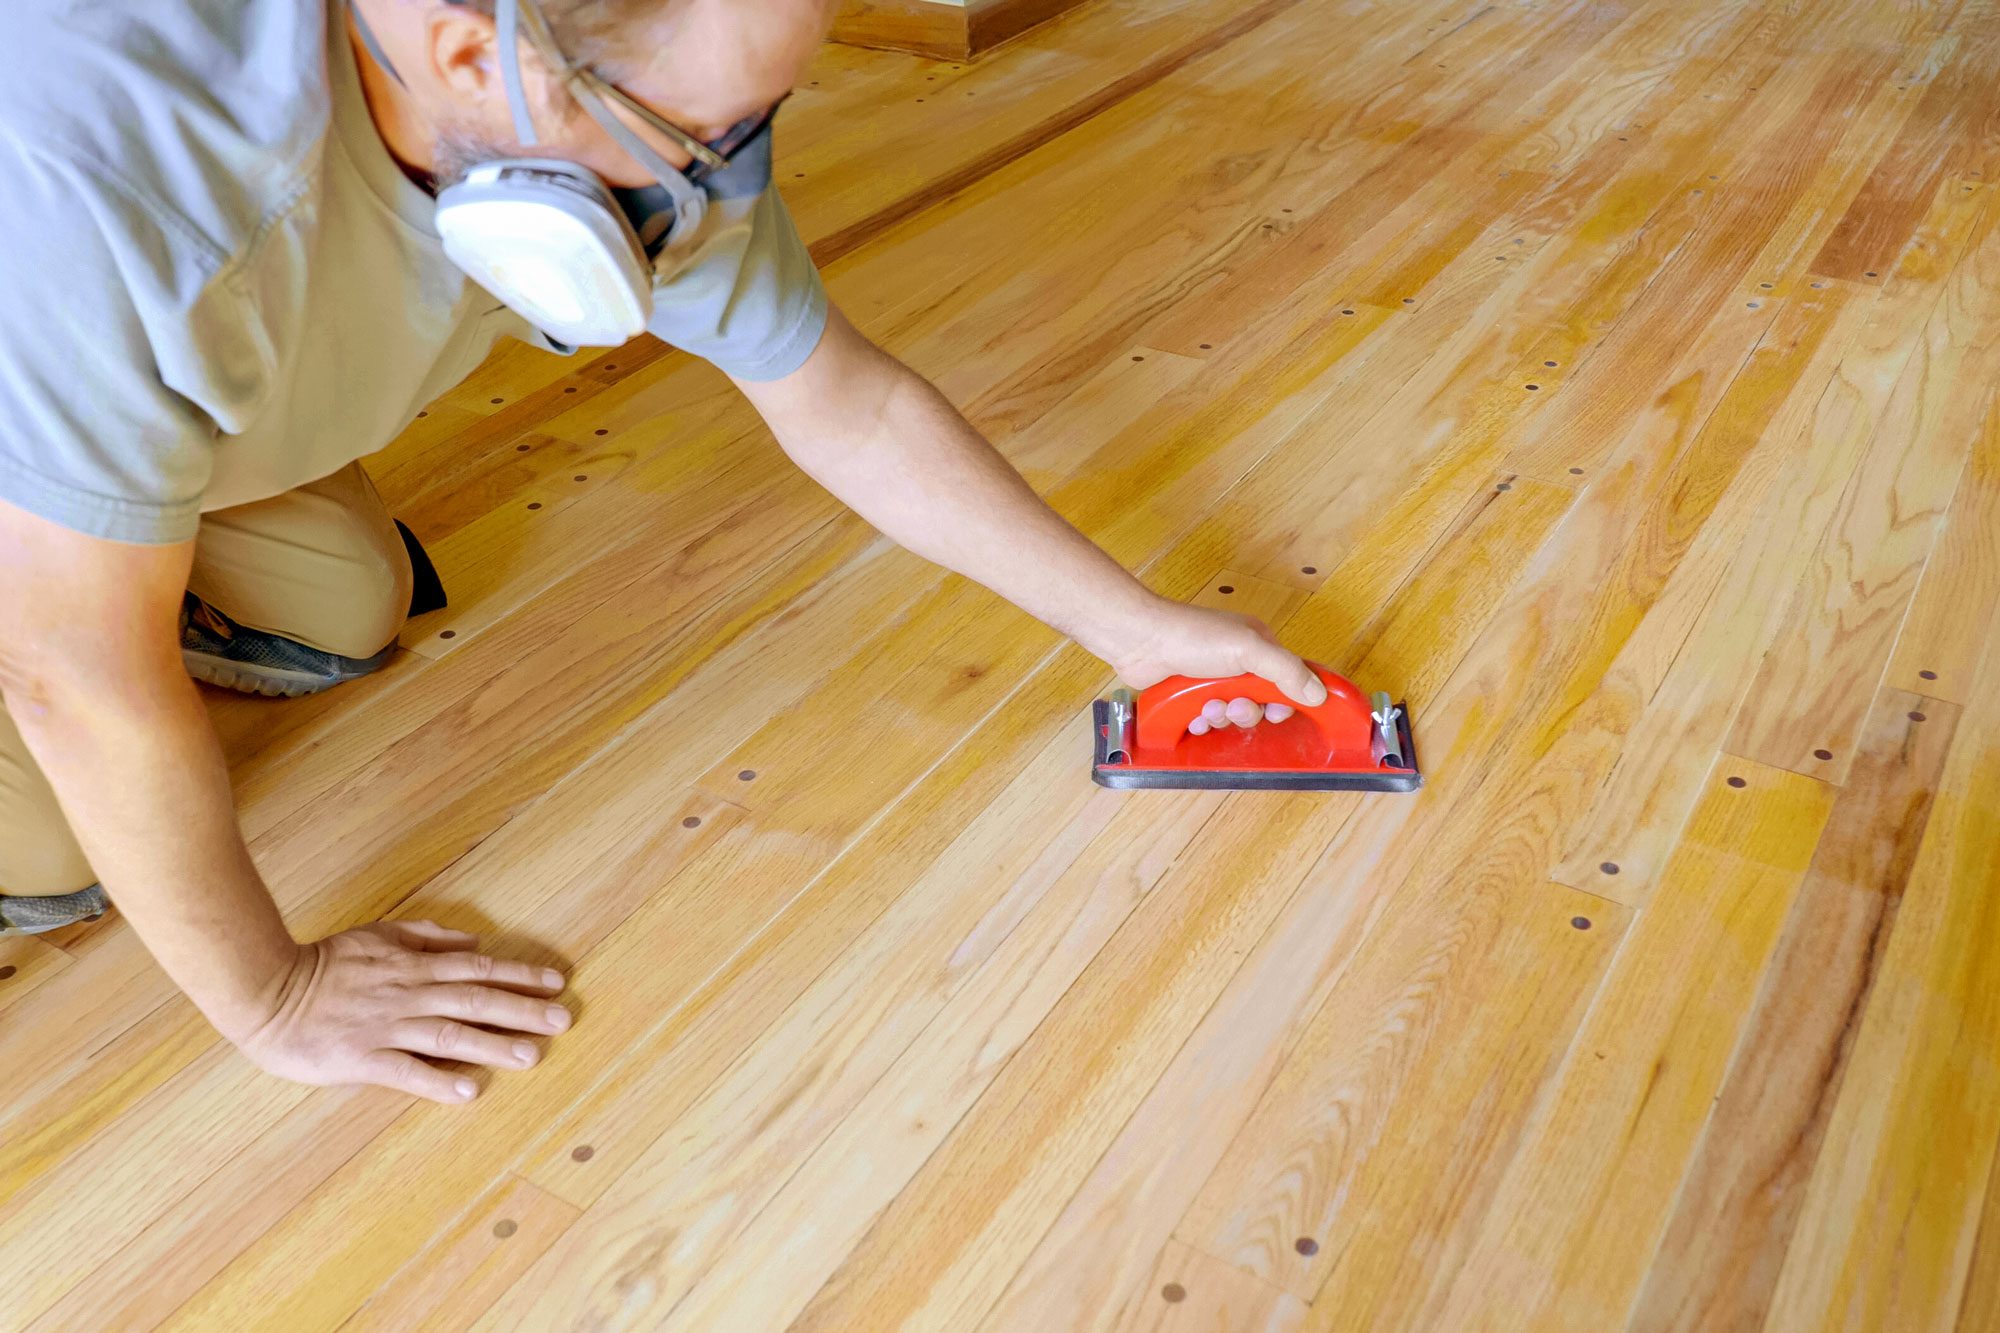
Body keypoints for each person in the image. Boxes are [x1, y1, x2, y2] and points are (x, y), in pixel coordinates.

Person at [0, 0, 1325, 1103]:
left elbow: (848, 403)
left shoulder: (608, 110)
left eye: (758, 123)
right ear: (472, 57)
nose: (729, 186)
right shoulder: (111, 169)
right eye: (703, 138)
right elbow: (79, 681)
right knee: (58, 845)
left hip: (81, 364)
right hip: (50, 298)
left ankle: (102, 505)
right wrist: (275, 998)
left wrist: (1140, 631)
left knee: (344, 603)